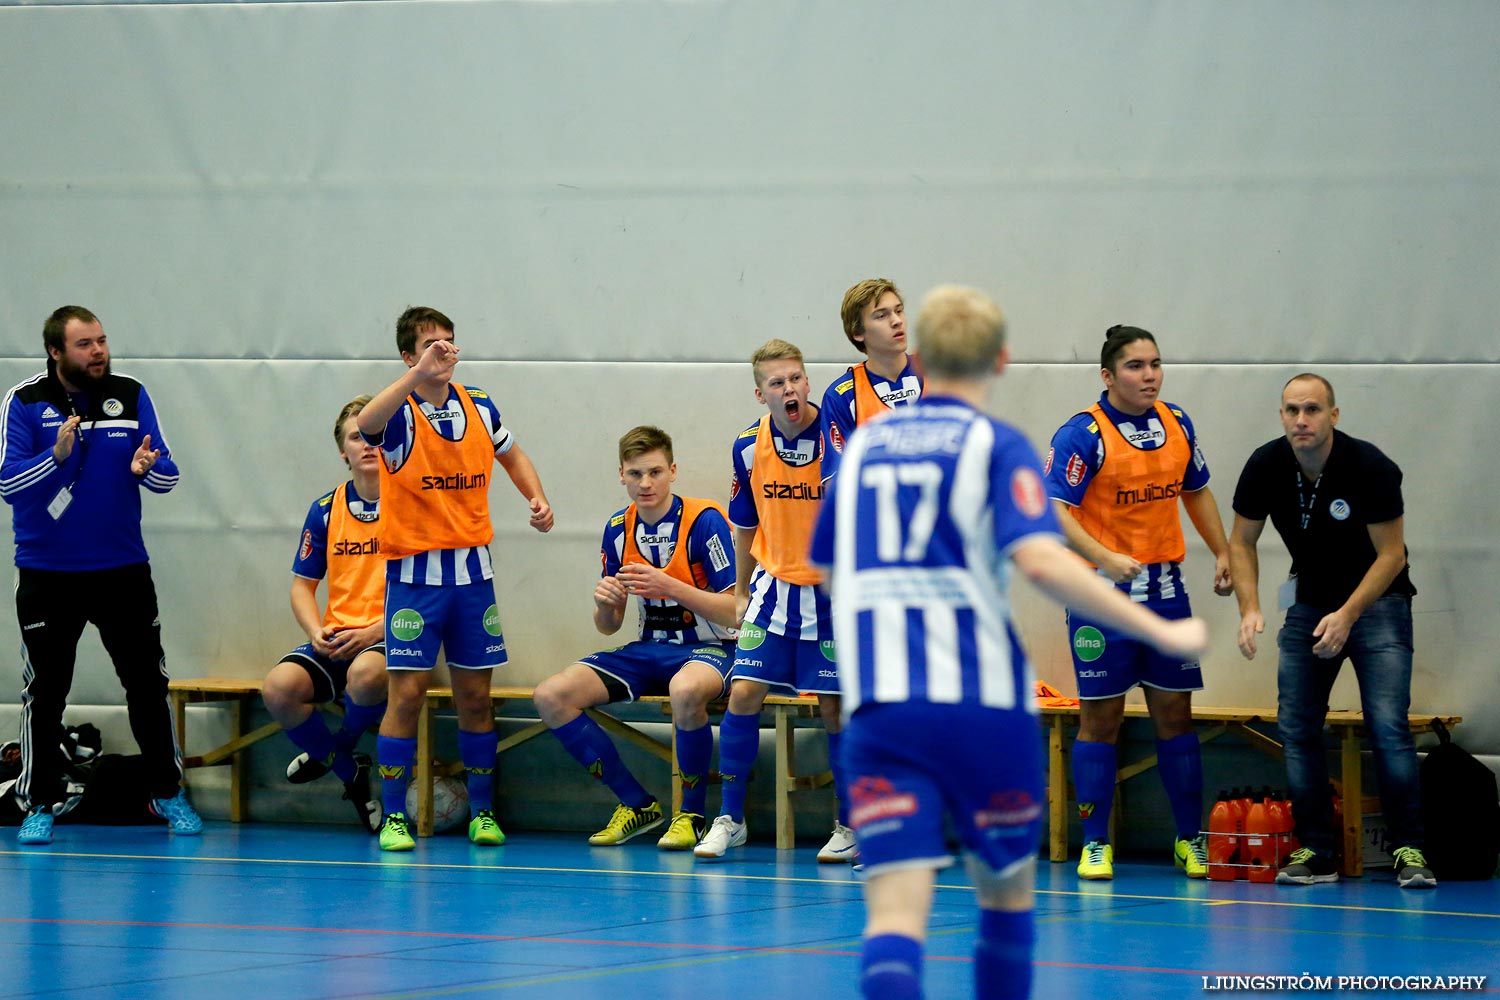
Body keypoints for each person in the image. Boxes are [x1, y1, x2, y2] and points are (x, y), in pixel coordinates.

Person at [810, 285, 1210, 1000]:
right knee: (1004, 905)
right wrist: (1157, 626)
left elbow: (833, 569)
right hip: (981, 706)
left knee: (895, 916)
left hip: (883, 711)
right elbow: (1044, 559)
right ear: (1001, 358)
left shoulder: (864, 445)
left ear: (921, 356)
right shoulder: (997, 445)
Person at [2, 305, 202, 845]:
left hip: (123, 572)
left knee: (146, 684)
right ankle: (38, 801)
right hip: (48, 575)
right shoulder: (24, 402)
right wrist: (57, 457)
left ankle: (167, 791)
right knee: (45, 693)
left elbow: (168, 475)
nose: (99, 352)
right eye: (86, 344)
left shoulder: (131, 394)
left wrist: (146, 469)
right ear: (55, 351)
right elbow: (7, 484)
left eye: (102, 341)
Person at [356, 306, 554, 852]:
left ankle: (483, 812)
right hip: (415, 579)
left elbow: (513, 454)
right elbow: (366, 424)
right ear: (408, 355)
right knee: (408, 695)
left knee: (474, 697)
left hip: (473, 576)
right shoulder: (399, 412)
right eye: (430, 344)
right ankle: (394, 817)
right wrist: (417, 376)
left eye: (449, 342)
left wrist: (534, 498)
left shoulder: (479, 405)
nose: (444, 351)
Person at [1227, 373, 1433, 888]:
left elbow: (1393, 554)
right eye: (1292, 410)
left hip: (1377, 602)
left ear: (1333, 416)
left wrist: (1348, 614)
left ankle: (1410, 849)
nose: (1302, 419)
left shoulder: (1369, 466)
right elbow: (1241, 542)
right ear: (1281, 416)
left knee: (1387, 727)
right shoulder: (1266, 464)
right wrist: (1250, 607)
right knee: (1297, 727)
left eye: (1313, 410)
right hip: (1310, 602)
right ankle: (1317, 850)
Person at [1043, 324, 1232, 881]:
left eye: (1154, 364)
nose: (1148, 375)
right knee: (1100, 718)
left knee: (1175, 716)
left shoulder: (1177, 423)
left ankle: (1187, 839)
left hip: (1166, 594)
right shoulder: (1082, 434)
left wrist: (1223, 551)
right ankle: (1096, 843)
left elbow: (1195, 491)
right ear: (1108, 375)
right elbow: (1054, 511)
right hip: (1101, 598)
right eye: (1134, 366)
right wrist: (1106, 556)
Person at [533, 426, 739, 849]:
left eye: (655, 472)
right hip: (649, 649)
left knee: (685, 691)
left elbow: (737, 609)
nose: (645, 484)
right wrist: (606, 602)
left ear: (673, 471)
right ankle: (637, 804)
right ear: (621, 476)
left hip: (711, 647)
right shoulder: (617, 527)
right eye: (635, 474)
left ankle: (692, 814)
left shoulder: (705, 521)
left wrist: (671, 586)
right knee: (551, 695)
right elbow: (608, 625)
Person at [695, 338, 852, 863]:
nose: (789, 388)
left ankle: (849, 823)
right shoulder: (747, 446)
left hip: (832, 594)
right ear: (760, 393)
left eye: (796, 379)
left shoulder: (837, 438)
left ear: (808, 383)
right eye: (777, 382)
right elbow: (744, 525)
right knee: (742, 694)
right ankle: (730, 819)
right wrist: (740, 590)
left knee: (834, 707)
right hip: (773, 587)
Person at [261, 395, 387, 834]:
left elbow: (431, 592)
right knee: (278, 688)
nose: (368, 444)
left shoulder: (412, 505)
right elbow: (302, 584)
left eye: (376, 435)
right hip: (338, 637)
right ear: (343, 452)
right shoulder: (326, 509)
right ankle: (351, 772)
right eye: (358, 437)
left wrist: (373, 631)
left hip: (396, 637)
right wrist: (316, 630)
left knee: (367, 676)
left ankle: (339, 745)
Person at [820, 278, 923, 483]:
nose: (896, 321)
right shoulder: (842, 397)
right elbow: (836, 483)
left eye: (899, 310)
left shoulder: (938, 373)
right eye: (881, 315)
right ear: (858, 333)